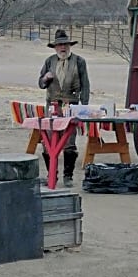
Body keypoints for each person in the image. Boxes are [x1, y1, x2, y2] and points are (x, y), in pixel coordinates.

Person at [37, 29, 90, 187]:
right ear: (55, 47)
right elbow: (40, 83)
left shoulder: (79, 61)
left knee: (69, 142)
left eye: (65, 45)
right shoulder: (49, 61)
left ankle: (68, 177)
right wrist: (45, 78)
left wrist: (84, 107)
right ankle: (51, 174)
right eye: (59, 45)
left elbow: (85, 85)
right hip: (52, 106)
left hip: (71, 105)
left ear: (69, 46)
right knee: (48, 143)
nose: (62, 48)